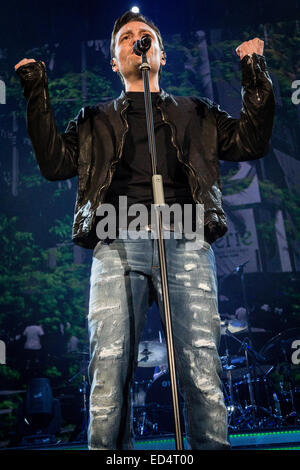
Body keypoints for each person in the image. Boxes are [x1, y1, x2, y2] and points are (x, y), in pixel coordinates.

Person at [14, 10, 275, 450]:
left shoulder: (196, 112)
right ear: (115, 61)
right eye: (127, 37)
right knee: (109, 371)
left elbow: (252, 140)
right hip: (115, 241)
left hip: (186, 237)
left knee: (200, 368)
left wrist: (254, 73)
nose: (138, 40)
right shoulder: (93, 119)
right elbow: (55, 162)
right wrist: (36, 91)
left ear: (162, 54)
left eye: (146, 35)